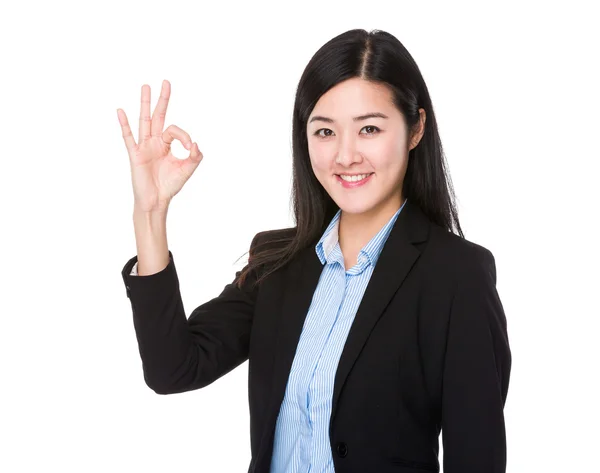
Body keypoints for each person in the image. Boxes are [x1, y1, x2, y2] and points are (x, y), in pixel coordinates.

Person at [118, 28, 511, 473]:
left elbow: (476, 458)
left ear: (416, 128)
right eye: (325, 131)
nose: (345, 155)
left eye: (369, 129)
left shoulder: (456, 276)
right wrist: (150, 212)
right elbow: (173, 368)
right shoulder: (277, 262)